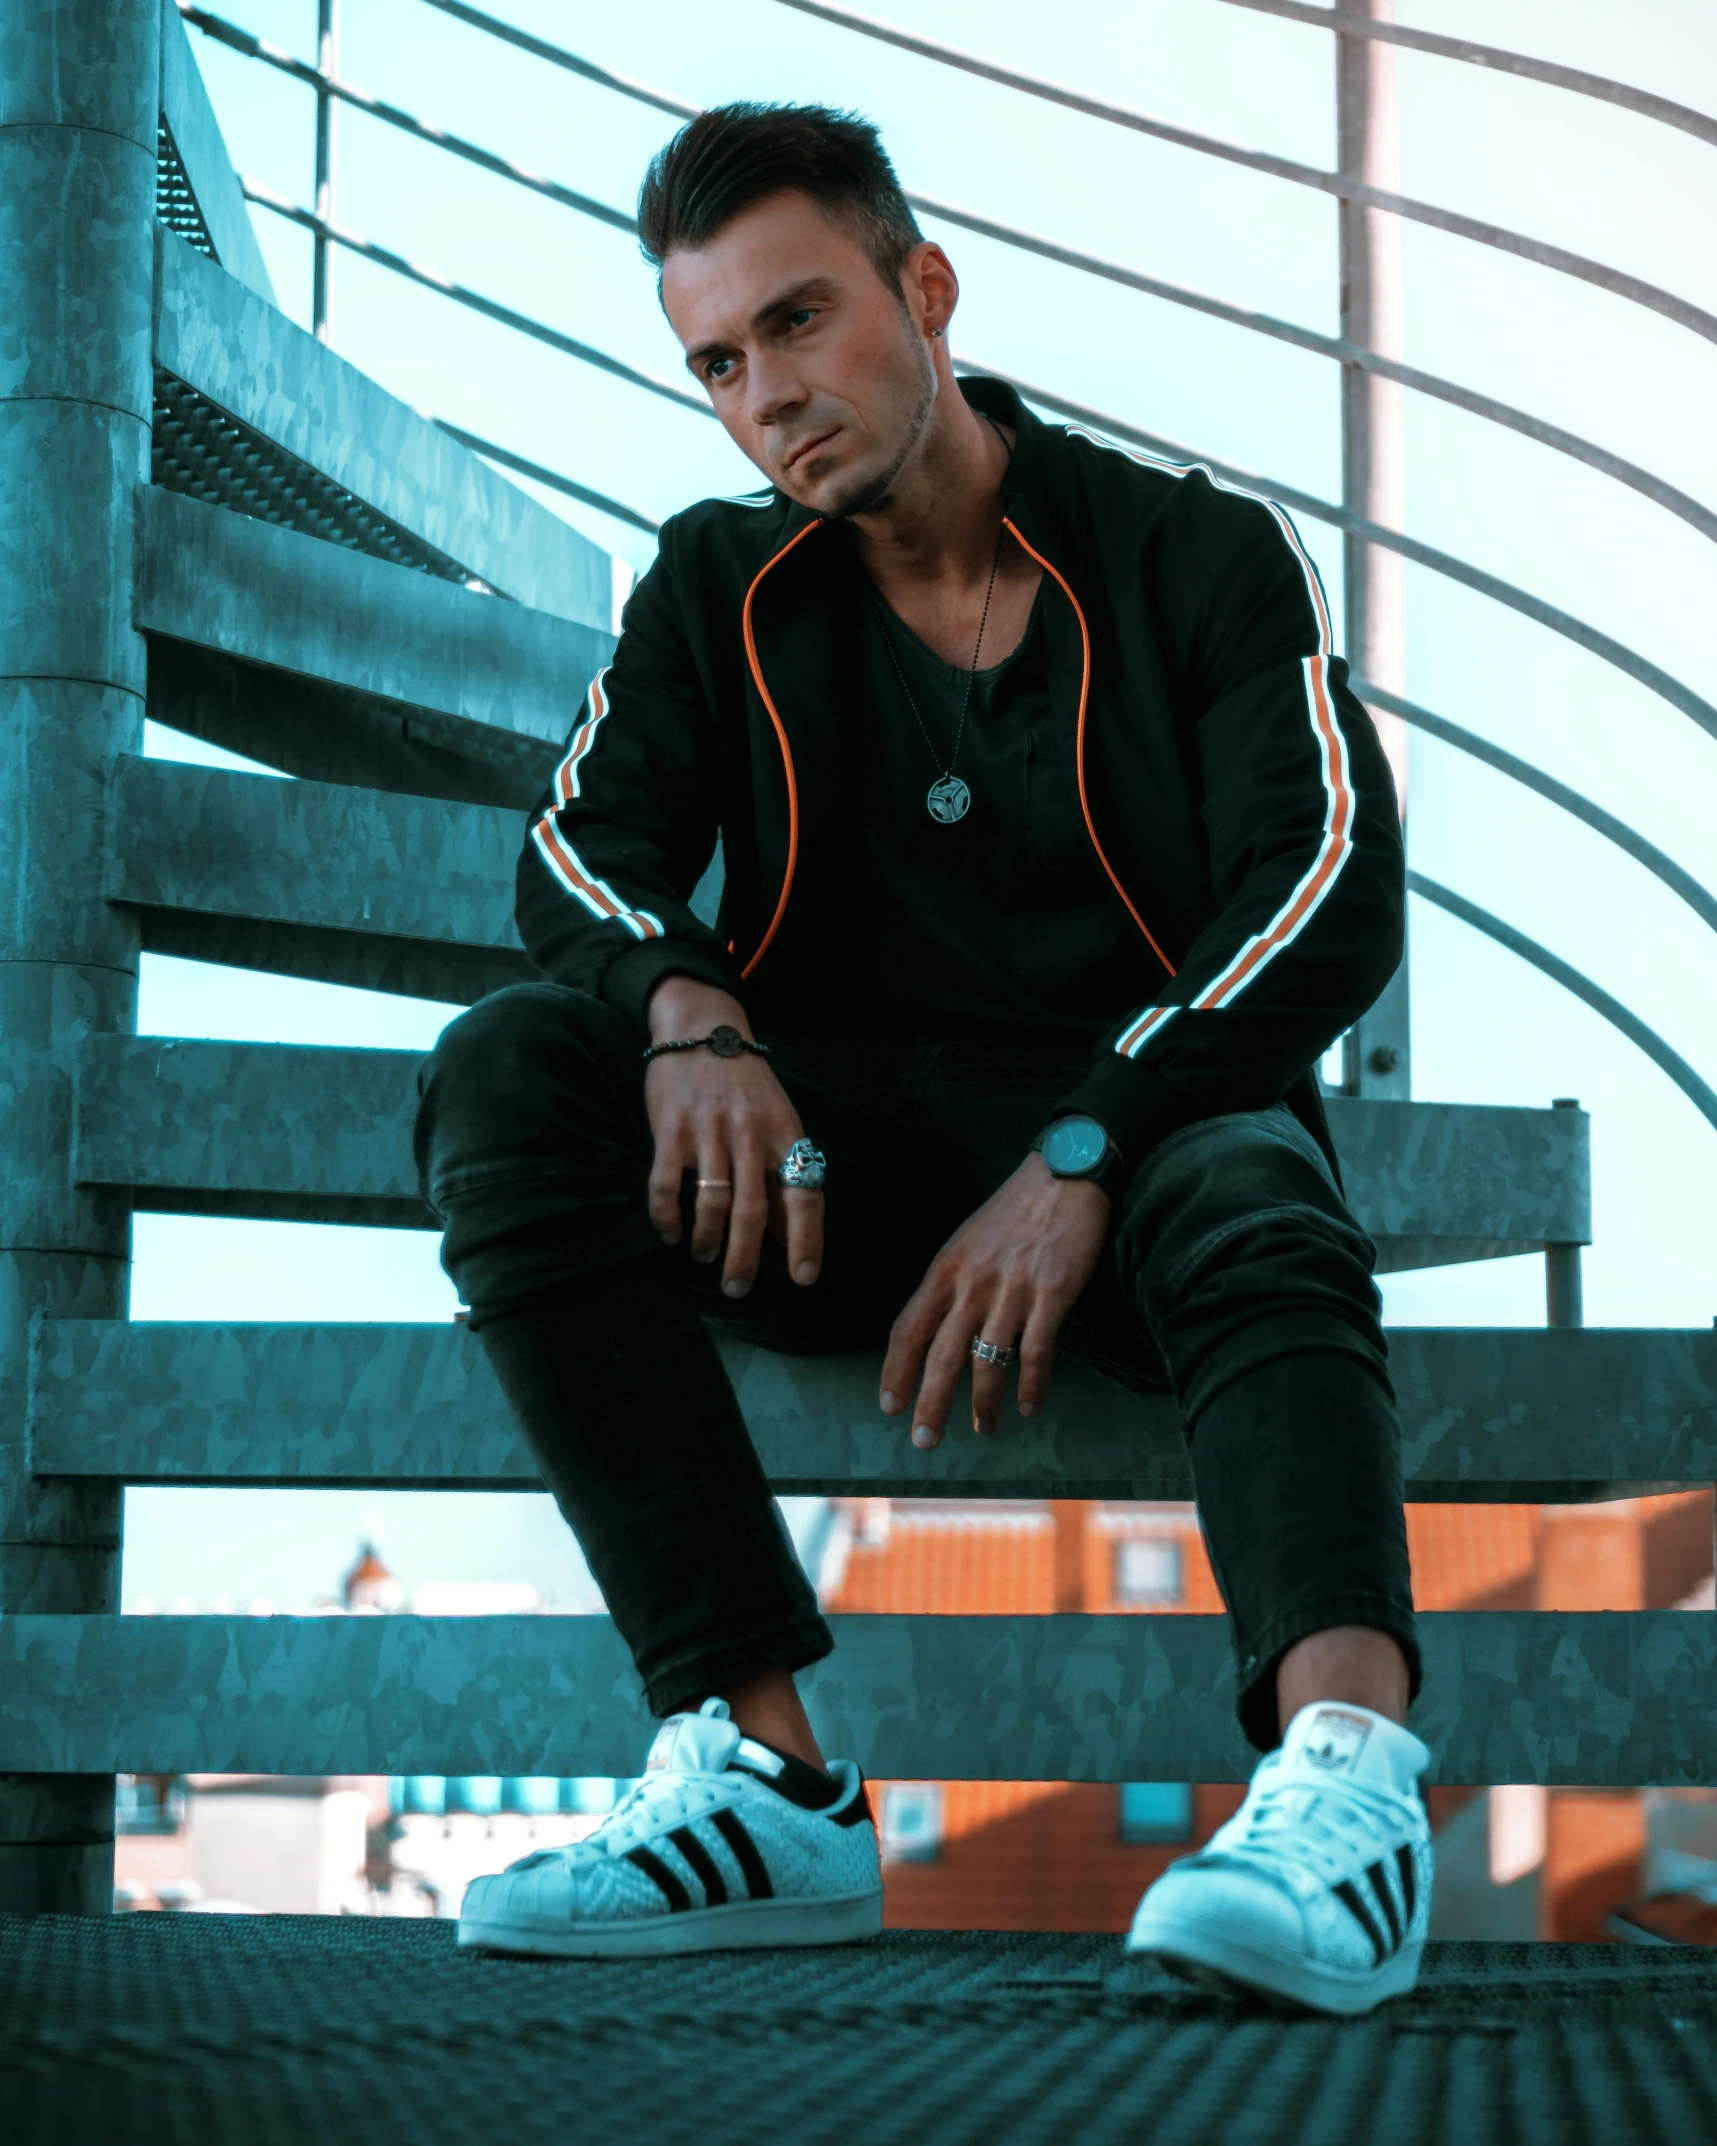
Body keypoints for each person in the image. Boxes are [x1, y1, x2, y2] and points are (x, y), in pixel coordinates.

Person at [415, 102, 1431, 2013]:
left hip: (1131, 1173)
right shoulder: (715, 581)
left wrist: (1089, 1141)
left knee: (1255, 1168)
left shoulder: (1192, 553)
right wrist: (685, 1012)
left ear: (926, 289)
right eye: (717, 361)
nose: (765, 398)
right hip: (831, 1183)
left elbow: (1324, 878)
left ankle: (1349, 1793)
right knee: (509, 1069)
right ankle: (772, 1777)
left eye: (799, 323)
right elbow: (578, 848)